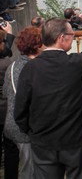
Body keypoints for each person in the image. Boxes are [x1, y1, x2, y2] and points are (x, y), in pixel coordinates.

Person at [14, 18, 82, 179]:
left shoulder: (30, 68)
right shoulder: (77, 64)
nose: (73, 38)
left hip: (43, 141)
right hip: (76, 140)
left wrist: (32, 132)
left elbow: (20, 109)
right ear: (61, 38)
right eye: (72, 35)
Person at [4, 26, 43, 179]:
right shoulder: (36, 68)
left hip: (11, 124)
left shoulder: (12, 66)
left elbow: (7, 93)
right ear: (38, 45)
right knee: (29, 170)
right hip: (25, 129)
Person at [0, 21, 19, 178]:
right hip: (5, 111)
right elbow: (6, 52)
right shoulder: (8, 65)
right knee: (10, 148)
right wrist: (9, 34)